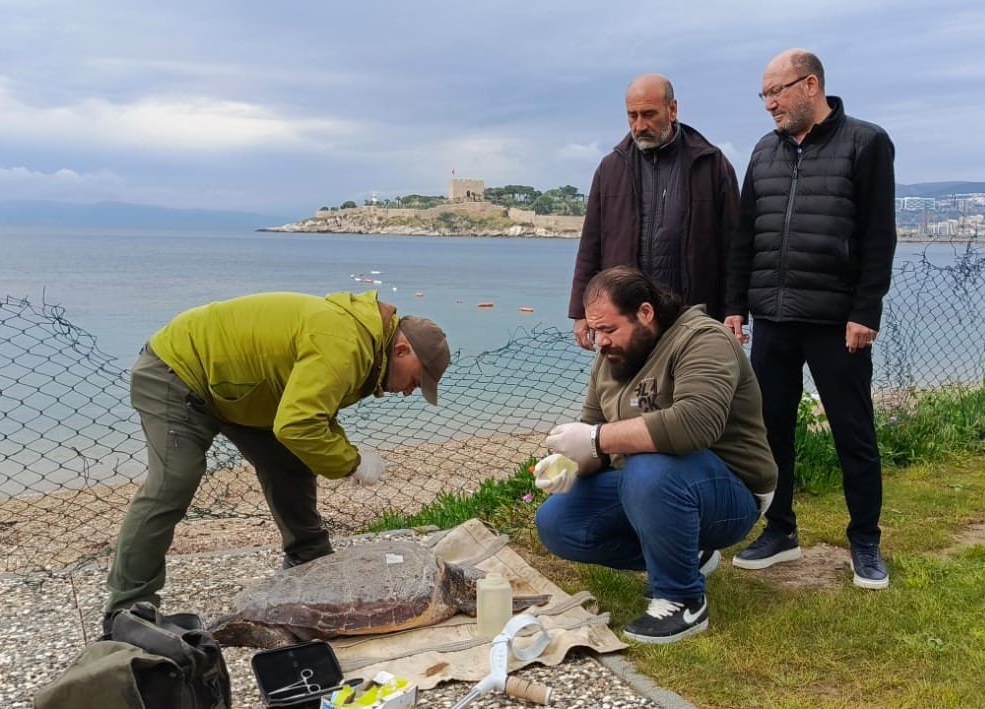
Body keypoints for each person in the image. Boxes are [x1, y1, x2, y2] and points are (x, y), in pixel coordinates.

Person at [104, 290, 450, 626]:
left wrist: (348, 454)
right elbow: (298, 425)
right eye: (416, 382)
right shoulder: (345, 344)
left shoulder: (364, 347)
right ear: (402, 350)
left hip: (242, 392)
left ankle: (309, 562)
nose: (408, 392)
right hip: (179, 371)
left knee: (290, 462)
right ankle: (128, 612)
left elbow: (315, 414)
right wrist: (351, 462)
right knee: (172, 482)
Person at [724, 49, 898, 590]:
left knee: (853, 432)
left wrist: (865, 310)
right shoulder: (764, 150)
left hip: (835, 321)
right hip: (773, 319)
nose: (770, 103)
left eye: (778, 91)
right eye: (764, 94)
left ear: (810, 85)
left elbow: (877, 236)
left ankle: (865, 542)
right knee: (771, 430)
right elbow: (744, 234)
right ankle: (780, 531)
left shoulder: (866, 143)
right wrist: (735, 304)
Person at [535, 266, 775, 644]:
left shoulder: (703, 339)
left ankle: (682, 599)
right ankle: (689, 557)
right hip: (654, 486)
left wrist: (597, 438)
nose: (600, 342)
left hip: (732, 492)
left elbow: (696, 423)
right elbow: (594, 434)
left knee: (650, 462)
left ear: (645, 313)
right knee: (558, 521)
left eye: (609, 330)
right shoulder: (611, 359)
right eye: (595, 331)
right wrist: (570, 464)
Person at [567, 73, 741, 350]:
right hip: (626, 318)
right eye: (632, 116)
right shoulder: (610, 169)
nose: (640, 125)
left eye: (649, 114)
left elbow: (734, 246)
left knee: (689, 393)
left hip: (694, 317)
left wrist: (735, 309)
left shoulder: (711, 165)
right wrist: (580, 310)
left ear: (672, 110)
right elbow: (591, 245)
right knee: (627, 395)